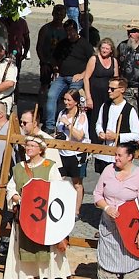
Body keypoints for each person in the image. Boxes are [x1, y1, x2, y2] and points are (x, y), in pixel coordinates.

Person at [3, 135, 71, 279]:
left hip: (44, 217)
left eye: (32, 146)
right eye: (27, 145)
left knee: (46, 246)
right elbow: (11, 187)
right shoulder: (19, 168)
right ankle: (29, 276)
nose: (28, 148)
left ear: (40, 149)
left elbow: (58, 189)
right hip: (24, 214)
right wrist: (15, 196)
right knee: (26, 246)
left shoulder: (50, 166)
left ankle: (49, 278)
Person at [89, 142, 139, 279]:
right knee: (107, 255)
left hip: (129, 225)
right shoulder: (108, 170)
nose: (115, 158)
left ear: (130, 157)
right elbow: (97, 195)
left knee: (130, 256)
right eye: (115, 154)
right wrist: (107, 207)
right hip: (109, 223)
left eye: (119, 155)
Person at [44, 19, 92, 131]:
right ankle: (50, 125)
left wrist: (82, 74)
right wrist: (56, 69)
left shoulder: (84, 44)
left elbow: (92, 62)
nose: (70, 34)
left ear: (76, 30)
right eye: (67, 32)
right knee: (51, 95)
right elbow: (54, 58)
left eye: (71, 31)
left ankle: (72, 123)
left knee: (71, 98)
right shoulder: (63, 43)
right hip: (62, 76)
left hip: (77, 78)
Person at [94, 77, 139, 175]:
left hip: (119, 156)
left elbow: (137, 134)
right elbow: (98, 124)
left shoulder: (129, 110)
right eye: (109, 88)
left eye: (112, 89)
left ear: (122, 90)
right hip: (103, 153)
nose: (109, 91)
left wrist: (117, 136)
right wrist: (100, 133)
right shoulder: (105, 105)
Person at [55, 89, 89, 218]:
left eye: (69, 100)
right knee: (59, 179)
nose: (66, 102)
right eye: (65, 99)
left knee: (77, 183)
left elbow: (80, 136)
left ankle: (76, 211)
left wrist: (68, 124)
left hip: (76, 153)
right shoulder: (62, 113)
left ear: (75, 102)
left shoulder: (81, 116)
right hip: (62, 152)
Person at [82, 37, 118, 143]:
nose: (104, 50)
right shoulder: (94, 59)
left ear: (111, 50)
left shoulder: (114, 61)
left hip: (108, 95)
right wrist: (88, 97)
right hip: (94, 94)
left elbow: (116, 78)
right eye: (103, 48)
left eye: (107, 48)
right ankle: (93, 141)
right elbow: (86, 78)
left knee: (106, 116)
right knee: (94, 118)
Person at [117, 20, 139, 109]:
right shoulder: (122, 46)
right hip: (127, 87)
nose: (130, 34)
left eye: (133, 31)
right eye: (129, 31)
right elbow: (116, 64)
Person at [36, 4, 66, 96]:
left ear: (64, 16)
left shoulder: (66, 29)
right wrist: (44, 61)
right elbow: (39, 47)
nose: (59, 17)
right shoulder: (45, 29)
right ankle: (40, 106)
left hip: (61, 63)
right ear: (53, 14)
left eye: (61, 15)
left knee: (60, 87)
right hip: (47, 62)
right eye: (57, 14)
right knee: (44, 85)